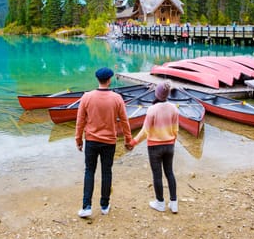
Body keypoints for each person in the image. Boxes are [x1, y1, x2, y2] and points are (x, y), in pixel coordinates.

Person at [75, 67, 133, 218]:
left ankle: (86, 206)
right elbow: (125, 122)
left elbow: (80, 121)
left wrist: (78, 139)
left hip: (92, 141)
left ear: (98, 80)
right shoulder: (117, 98)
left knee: (89, 171)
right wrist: (128, 139)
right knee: (107, 172)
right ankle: (104, 205)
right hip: (109, 142)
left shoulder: (86, 97)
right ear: (109, 80)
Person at [129, 81, 179, 213]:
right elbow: (176, 130)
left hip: (154, 147)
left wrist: (133, 142)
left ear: (157, 94)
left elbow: (145, 131)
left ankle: (160, 203)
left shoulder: (152, 110)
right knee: (169, 172)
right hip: (169, 145)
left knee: (157, 175)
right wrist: (172, 142)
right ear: (167, 94)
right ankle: (174, 203)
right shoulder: (174, 108)